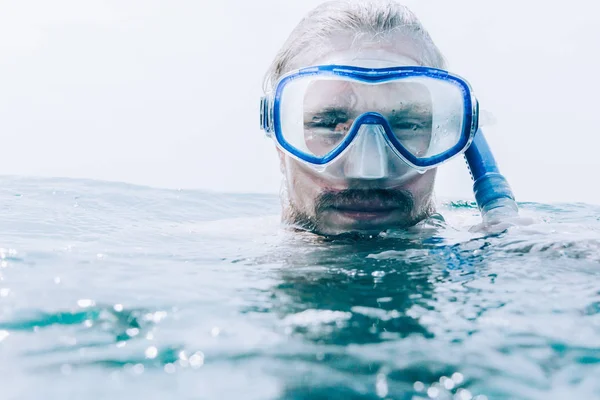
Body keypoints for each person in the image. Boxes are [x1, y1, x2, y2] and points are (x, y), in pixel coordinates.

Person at [260, 0, 516, 236]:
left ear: (444, 134)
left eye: (407, 125)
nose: (368, 171)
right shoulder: (225, 254)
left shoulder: (503, 243)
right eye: (330, 124)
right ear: (280, 142)